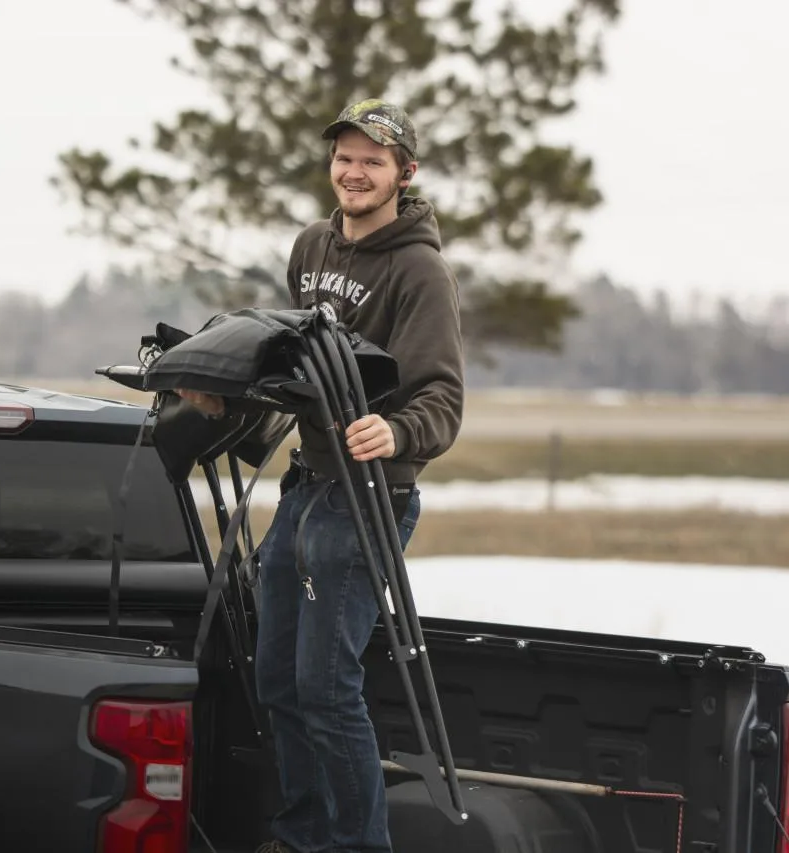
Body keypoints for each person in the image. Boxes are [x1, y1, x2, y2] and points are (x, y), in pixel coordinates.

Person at [178, 98, 464, 853]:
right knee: (276, 679)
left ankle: (356, 846)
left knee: (327, 689)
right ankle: (303, 835)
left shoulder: (421, 270)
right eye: (345, 156)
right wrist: (219, 388)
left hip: (369, 499)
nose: (355, 171)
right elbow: (290, 361)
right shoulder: (311, 247)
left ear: (405, 172)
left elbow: (443, 398)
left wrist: (395, 429)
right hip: (306, 489)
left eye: (374, 160)